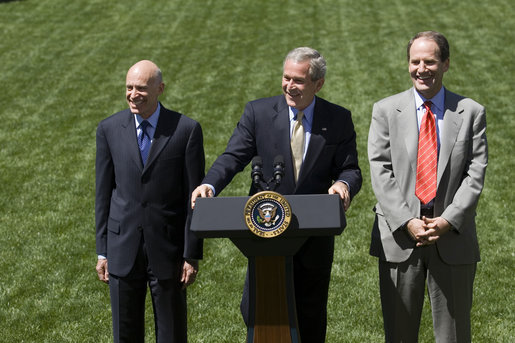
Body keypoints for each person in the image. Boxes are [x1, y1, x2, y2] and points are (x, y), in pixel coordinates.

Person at [191, 47, 362, 342]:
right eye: (286, 78)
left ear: (318, 84)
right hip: (264, 235)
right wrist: (210, 184)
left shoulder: (337, 119)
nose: (289, 86)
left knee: (310, 316)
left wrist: (343, 185)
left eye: (298, 81)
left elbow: (350, 169)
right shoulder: (257, 113)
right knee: (260, 313)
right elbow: (233, 157)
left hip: (313, 238)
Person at [368, 31, 488, 342]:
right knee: (399, 333)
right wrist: (406, 220)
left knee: (454, 335)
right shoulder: (385, 110)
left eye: (430, 61)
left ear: (446, 64)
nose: (422, 69)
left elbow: (475, 173)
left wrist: (449, 220)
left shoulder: (471, 112)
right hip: (399, 238)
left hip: (452, 237)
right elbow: (381, 170)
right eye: (415, 61)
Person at [95, 60, 205, 343]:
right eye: (129, 88)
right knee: (125, 333)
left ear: (160, 89)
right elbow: (103, 194)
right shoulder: (108, 129)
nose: (133, 94)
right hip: (122, 248)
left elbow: (194, 198)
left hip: (168, 250)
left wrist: (190, 253)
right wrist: (102, 251)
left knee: (172, 334)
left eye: (141, 88)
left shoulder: (186, 130)